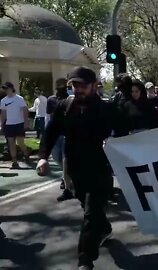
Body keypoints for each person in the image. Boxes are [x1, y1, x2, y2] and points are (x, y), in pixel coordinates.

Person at [37, 66, 116, 270]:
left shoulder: (106, 109)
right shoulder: (65, 106)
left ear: (93, 86)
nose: (78, 89)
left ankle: (85, 260)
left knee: (90, 212)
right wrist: (43, 157)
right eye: (75, 85)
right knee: (88, 208)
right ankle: (105, 228)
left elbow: (124, 132)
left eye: (83, 85)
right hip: (74, 169)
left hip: (100, 168)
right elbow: (50, 132)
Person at [0, 82, 30, 169]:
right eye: (5, 89)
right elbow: (3, 114)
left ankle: (26, 154)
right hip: (9, 125)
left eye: (7, 88)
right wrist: (2, 125)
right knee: (11, 143)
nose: (6, 90)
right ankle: (15, 161)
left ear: (11, 88)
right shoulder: (3, 100)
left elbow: (25, 111)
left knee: (20, 142)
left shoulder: (19, 99)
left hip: (19, 123)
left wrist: (26, 122)